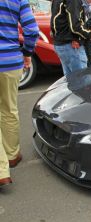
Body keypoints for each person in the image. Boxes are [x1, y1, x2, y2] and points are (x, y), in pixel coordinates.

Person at [0, 0, 39, 187]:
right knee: (9, 109)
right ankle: (12, 155)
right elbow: (32, 30)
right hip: (10, 62)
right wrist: (27, 53)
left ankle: (1, 170)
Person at [51, 0, 91, 76]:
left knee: (71, 82)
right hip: (71, 47)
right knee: (82, 82)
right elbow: (75, 26)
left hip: (61, 44)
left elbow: (57, 21)